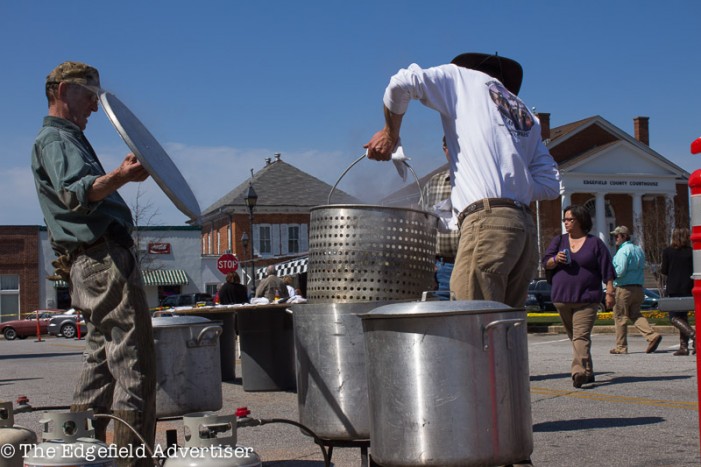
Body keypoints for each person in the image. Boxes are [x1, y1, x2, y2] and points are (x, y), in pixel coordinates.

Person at [365, 52, 561, 308]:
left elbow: (401, 83)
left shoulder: (462, 78)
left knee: (470, 328)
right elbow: (550, 184)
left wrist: (390, 134)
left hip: (488, 226)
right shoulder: (523, 112)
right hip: (522, 230)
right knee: (503, 334)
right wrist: (510, 188)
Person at [31, 61, 155, 465]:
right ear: (64, 91)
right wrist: (120, 177)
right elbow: (76, 192)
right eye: (89, 96)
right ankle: (132, 461)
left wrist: (118, 177)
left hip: (90, 262)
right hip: (103, 258)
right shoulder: (56, 140)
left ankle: (74, 455)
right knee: (135, 364)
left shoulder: (66, 139)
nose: (95, 108)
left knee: (101, 363)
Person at [543, 205, 615, 388]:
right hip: (562, 298)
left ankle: (578, 372)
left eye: (570, 219)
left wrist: (610, 292)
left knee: (580, 337)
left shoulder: (594, 243)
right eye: (564, 220)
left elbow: (607, 268)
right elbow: (546, 262)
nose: (566, 223)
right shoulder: (558, 241)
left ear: (581, 220)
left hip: (587, 298)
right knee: (576, 338)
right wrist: (554, 260)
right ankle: (588, 371)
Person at [610, 226, 662, 354]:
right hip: (638, 288)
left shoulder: (623, 252)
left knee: (620, 317)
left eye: (617, 236)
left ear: (623, 236)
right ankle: (652, 336)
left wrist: (610, 275)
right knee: (635, 314)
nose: (615, 238)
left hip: (624, 288)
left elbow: (620, 271)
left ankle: (621, 347)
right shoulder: (638, 250)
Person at [420, 137, 460, 299]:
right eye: (451, 146)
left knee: (473, 316)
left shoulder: (484, 181)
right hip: (443, 266)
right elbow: (422, 226)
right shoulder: (434, 183)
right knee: (443, 316)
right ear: (445, 150)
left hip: (475, 263)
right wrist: (426, 262)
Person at [661, 227, 695, 355]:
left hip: (674, 287)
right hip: (688, 286)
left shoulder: (668, 251)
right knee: (683, 316)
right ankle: (683, 347)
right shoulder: (691, 252)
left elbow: (664, 270)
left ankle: (694, 336)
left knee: (674, 317)